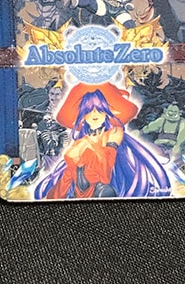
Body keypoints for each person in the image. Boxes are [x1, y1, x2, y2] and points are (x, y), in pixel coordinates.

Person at [34, 81, 170, 199]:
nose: (94, 115)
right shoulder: (81, 141)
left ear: (106, 113)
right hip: (79, 189)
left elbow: (108, 162)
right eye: (89, 111)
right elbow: (68, 173)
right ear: (83, 115)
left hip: (107, 183)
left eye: (99, 110)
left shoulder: (114, 132)